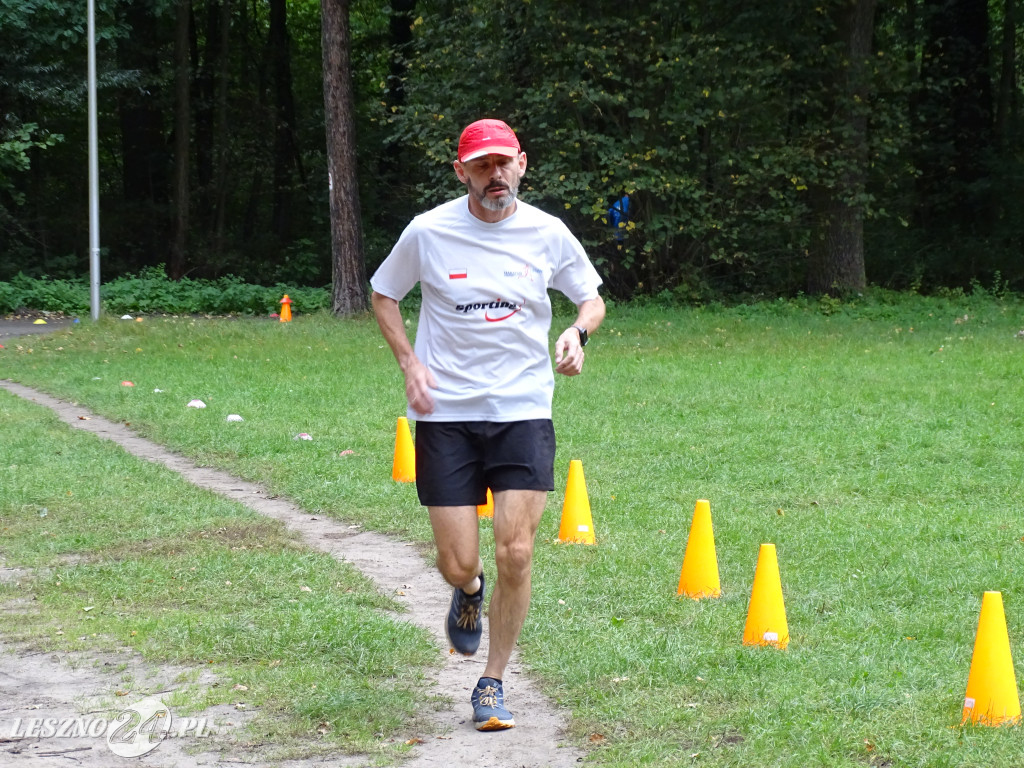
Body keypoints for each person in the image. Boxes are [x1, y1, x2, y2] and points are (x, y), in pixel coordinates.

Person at [370, 117, 605, 732]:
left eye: (504, 162)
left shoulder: (547, 233)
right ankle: (468, 592)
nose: (494, 175)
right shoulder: (429, 231)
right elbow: (383, 293)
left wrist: (577, 334)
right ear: (462, 172)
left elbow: (591, 297)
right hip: (446, 413)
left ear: (522, 163)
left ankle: (492, 682)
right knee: (458, 562)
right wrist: (409, 362)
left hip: (522, 407)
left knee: (518, 551)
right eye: (481, 165)